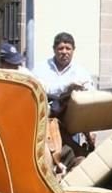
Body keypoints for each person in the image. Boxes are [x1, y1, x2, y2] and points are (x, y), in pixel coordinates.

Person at [35, 32, 95, 169]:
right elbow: (40, 88)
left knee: (74, 159)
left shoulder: (81, 72)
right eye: (61, 48)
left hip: (71, 126)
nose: (64, 52)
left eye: (68, 48)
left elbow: (90, 97)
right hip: (46, 124)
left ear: (73, 50)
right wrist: (66, 87)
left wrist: (90, 129)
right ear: (54, 49)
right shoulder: (41, 68)